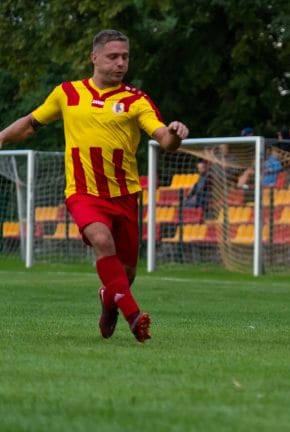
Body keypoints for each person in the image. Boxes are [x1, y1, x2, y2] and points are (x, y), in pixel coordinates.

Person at [0, 29, 189, 342]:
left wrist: (176, 133)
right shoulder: (67, 93)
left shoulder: (136, 99)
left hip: (125, 195)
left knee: (127, 275)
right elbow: (31, 122)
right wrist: (3, 136)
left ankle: (109, 300)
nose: (120, 63)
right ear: (95, 57)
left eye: (125, 57)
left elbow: (164, 140)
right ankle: (134, 316)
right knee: (101, 240)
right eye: (113, 57)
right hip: (84, 192)